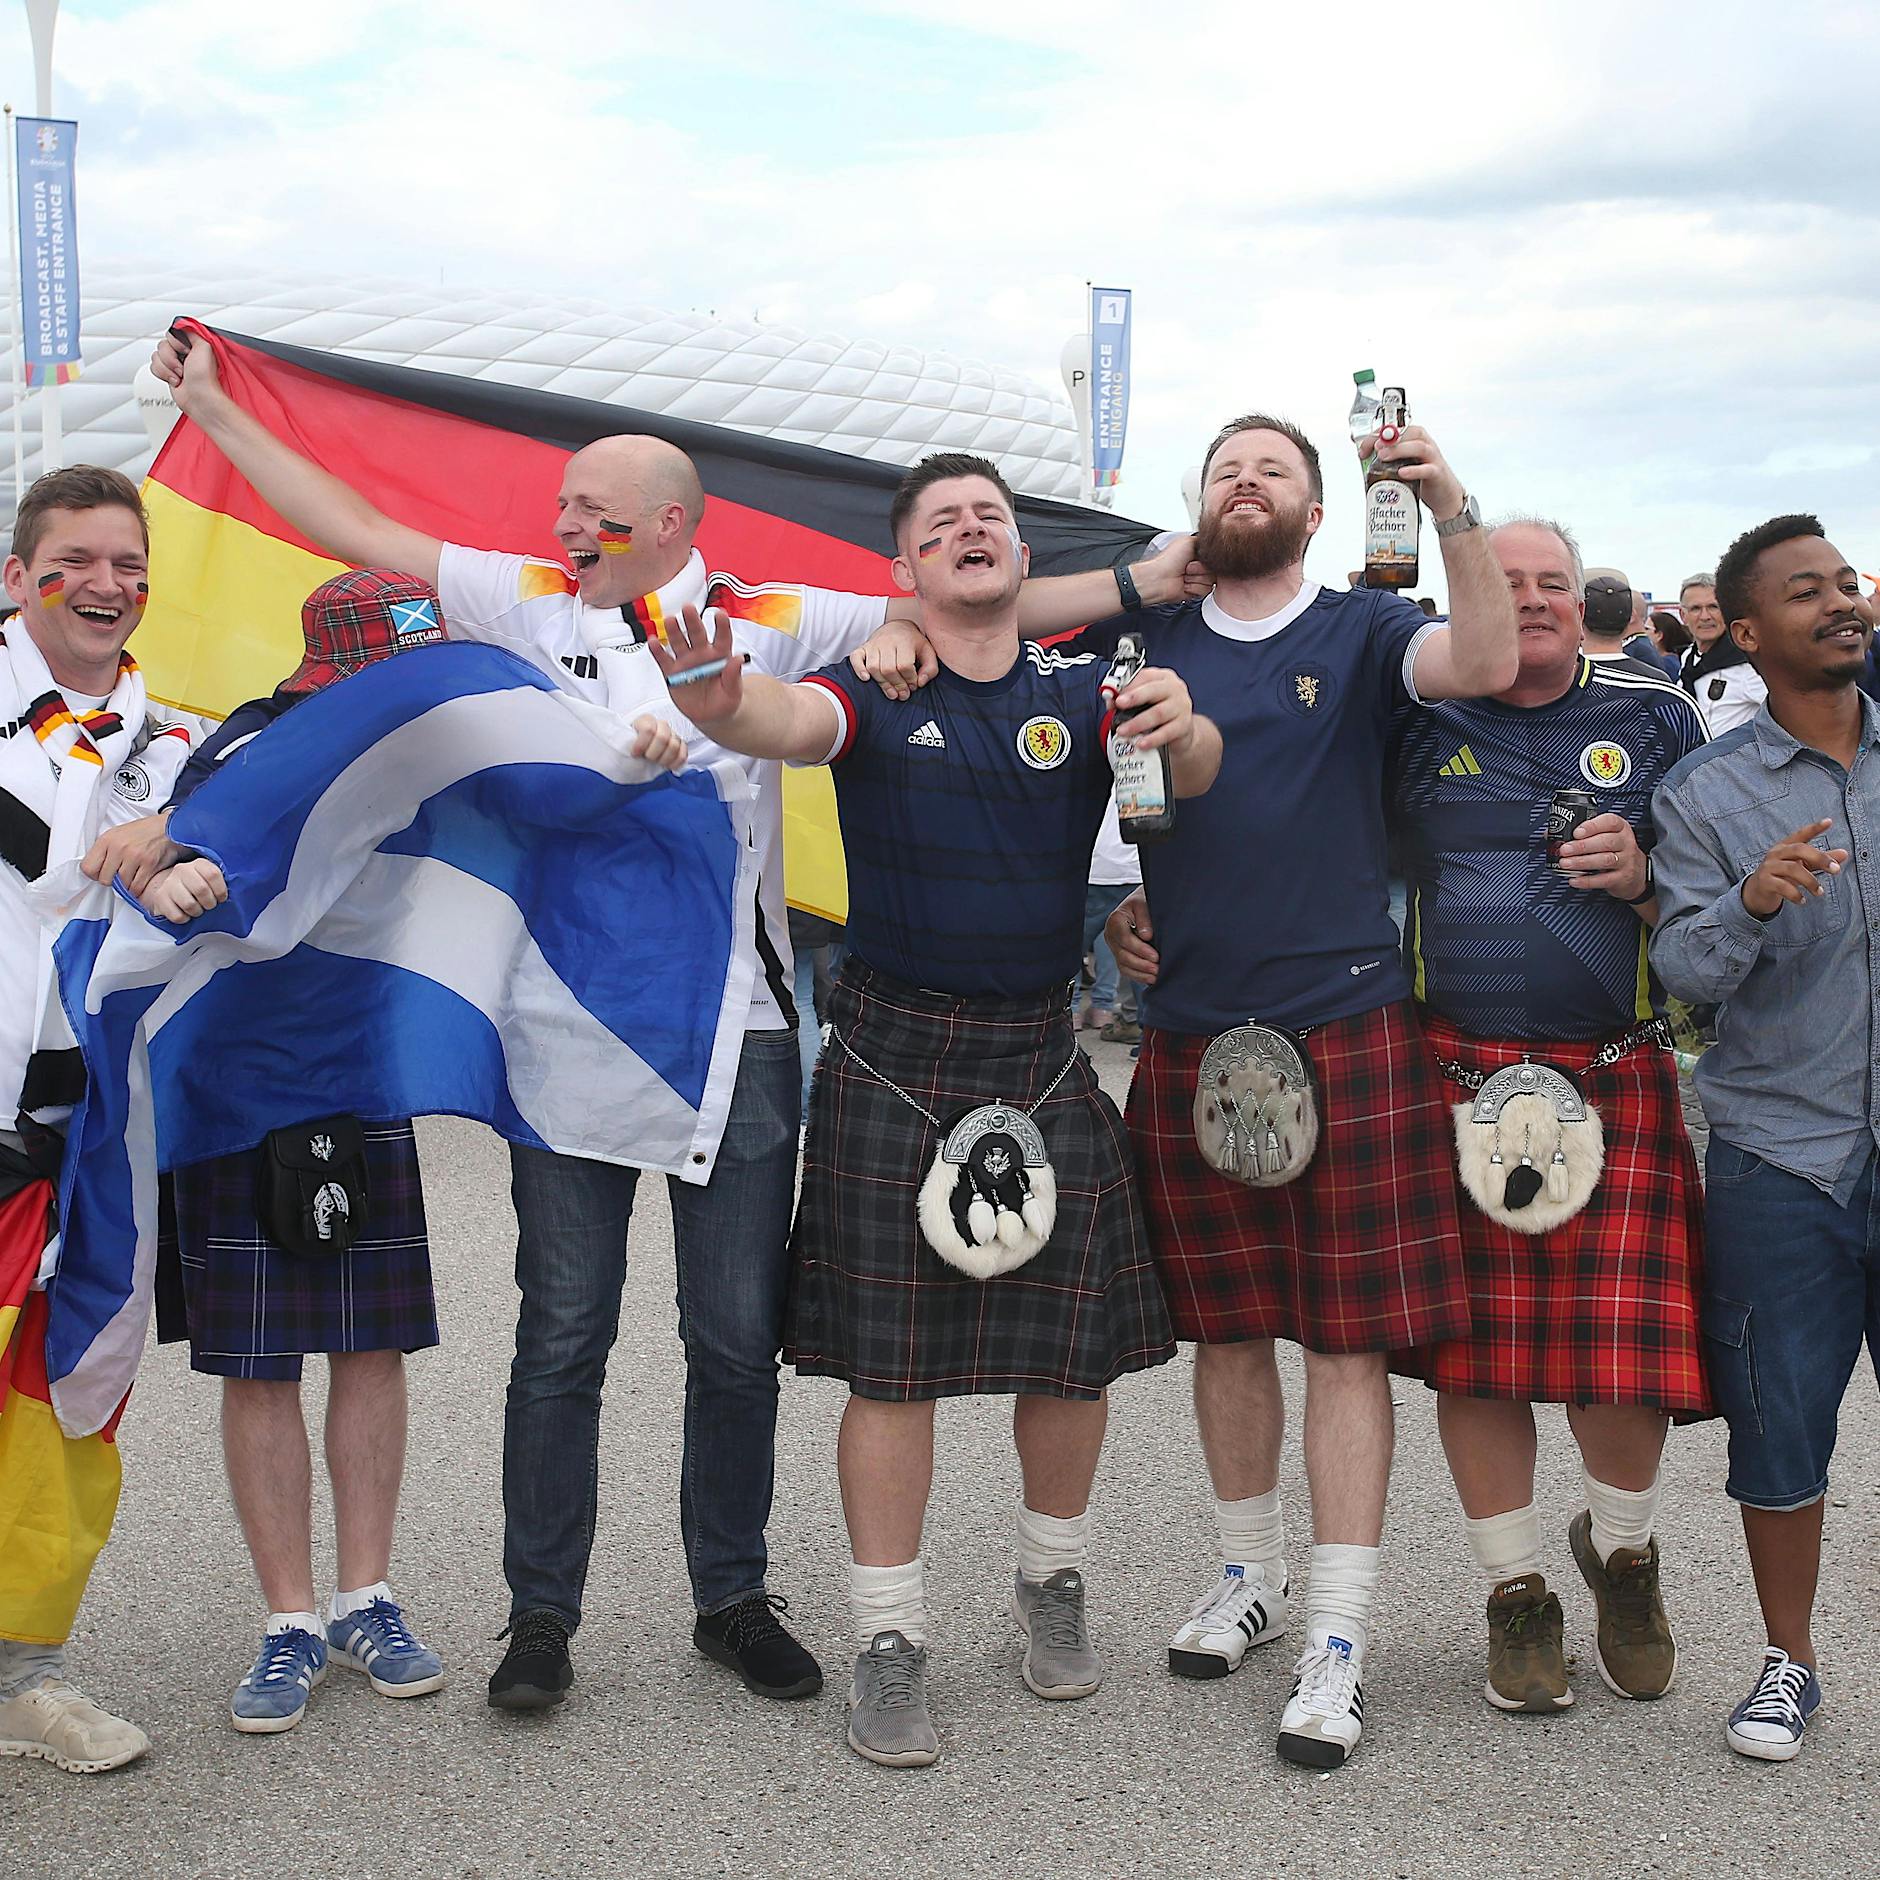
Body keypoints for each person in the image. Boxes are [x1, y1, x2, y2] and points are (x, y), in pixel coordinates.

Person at [149, 326, 1193, 1715]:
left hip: (737, 1032)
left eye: (588, 508)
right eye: (561, 505)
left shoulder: (777, 613)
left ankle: (732, 1598)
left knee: (731, 1338)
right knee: (561, 1336)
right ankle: (541, 1617)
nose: (561, 525)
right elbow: (355, 527)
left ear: (666, 525)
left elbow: (974, 601)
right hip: (563, 1027)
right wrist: (219, 411)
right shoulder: (524, 597)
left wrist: (1134, 582)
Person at [646, 451, 1219, 1769]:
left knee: (1066, 1357)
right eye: (943, 522)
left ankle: (1050, 1579)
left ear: (1019, 556)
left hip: (1040, 1050)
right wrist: (714, 694)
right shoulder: (872, 680)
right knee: (890, 1368)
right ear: (903, 565)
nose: (972, 530)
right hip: (893, 1050)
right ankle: (890, 1636)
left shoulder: (1085, 690)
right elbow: (781, 724)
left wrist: (1180, 728)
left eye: (991, 518)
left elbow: (1182, 781)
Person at [1105, 407, 1517, 1768]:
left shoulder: (1362, 628)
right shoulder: (1146, 638)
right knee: (1227, 1331)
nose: (1245, 480)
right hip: (1189, 1021)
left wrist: (1448, 502)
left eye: (1272, 467)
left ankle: (1338, 1634)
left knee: (1344, 1343)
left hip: (1342, 1016)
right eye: (1225, 466)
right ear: (1199, 504)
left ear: (1316, 511)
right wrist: (1117, 909)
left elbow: (1489, 657)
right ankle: (1247, 1575)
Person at [1387, 517, 1709, 1714]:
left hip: (1612, 1066)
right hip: (1455, 1075)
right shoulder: (1415, 717)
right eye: (1502, 580)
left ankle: (1622, 1555)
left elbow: (1719, 888)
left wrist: (1647, 877)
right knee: (1476, 1360)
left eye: (1551, 582)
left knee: (1619, 1359)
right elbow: (1318, 852)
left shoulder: (1654, 716)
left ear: (1584, 602)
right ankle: (1513, 1591)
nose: (1528, 598)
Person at [133, 572, 451, 1735]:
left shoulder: (429, 752)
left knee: (370, 1345)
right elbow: (165, 865)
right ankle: (289, 1618)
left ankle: (367, 1599)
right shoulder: (248, 748)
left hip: (364, 1070)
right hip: (240, 1084)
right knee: (260, 1361)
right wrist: (167, 863)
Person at [1651, 513, 1878, 1764]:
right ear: (1743, 631)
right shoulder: (1706, 792)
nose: (1839, 601)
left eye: (1843, 583)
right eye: (1805, 591)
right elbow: (1681, 970)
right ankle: (1788, 1659)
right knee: (1778, 1425)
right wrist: (1746, 900)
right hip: (1780, 1158)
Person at [0, 467, 197, 1774]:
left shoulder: (178, 744)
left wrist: (187, 831)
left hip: (86, 1139)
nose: (105, 583)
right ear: (18, 576)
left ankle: (22, 1674)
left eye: (127, 562)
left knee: (62, 1396)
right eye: (74, 559)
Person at [1079, 801, 1141, 1040]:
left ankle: (1070, 1010)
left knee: (1071, 944)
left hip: (1095, 867)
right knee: (1120, 941)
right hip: (1133, 868)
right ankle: (1105, 1008)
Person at [1677, 570, 1767, 735]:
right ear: (1683, 615)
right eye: (1696, 608)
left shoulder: (1750, 662)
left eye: (1713, 607)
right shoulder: (1688, 657)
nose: (1705, 616)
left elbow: (1789, 715)